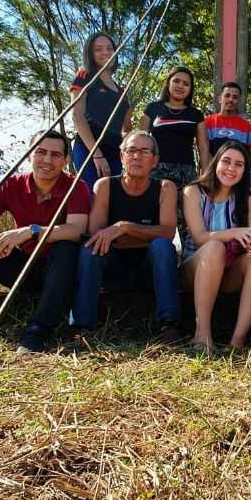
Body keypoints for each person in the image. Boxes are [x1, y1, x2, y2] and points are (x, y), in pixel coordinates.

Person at [0, 130, 90, 352]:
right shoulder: (11, 184)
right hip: (21, 265)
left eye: (55, 155)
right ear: (29, 154)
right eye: (40, 152)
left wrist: (30, 231)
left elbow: (76, 230)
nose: (47, 160)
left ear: (65, 160)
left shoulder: (76, 186)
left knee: (66, 247)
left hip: (58, 272)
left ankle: (38, 329)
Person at [69, 130, 180, 341]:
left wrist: (124, 227)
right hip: (112, 269)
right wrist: (143, 235)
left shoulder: (165, 188)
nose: (137, 156)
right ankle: (81, 328)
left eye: (144, 151)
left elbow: (167, 232)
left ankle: (169, 325)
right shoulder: (104, 186)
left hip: (149, 270)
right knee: (90, 249)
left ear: (155, 160)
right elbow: (96, 234)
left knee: (162, 247)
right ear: (121, 157)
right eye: (131, 150)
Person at [182, 141, 251, 355]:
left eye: (238, 164)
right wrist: (234, 233)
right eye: (226, 161)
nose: (231, 168)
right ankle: (202, 336)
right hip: (194, 269)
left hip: (229, 273)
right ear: (215, 162)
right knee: (213, 248)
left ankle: (237, 342)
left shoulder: (246, 197)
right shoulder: (193, 191)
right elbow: (200, 237)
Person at [140, 65, 209, 249]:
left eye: (186, 83)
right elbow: (140, 141)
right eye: (176, 81)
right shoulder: (153, 108)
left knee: (188, 219)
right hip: (156, 172)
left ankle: (190, 264)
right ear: (168, 83)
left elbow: (203, 148)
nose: (180, 86)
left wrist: (206, 177)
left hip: (186, 173)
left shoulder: (196, 114)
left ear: (190, 89)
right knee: (154, 218)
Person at [70, 32, 132, 189]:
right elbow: (77, 116)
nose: (105, 52)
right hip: (88, 149)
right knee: (93, 197)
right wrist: (97, 154)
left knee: (112, 202)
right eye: (98, 49)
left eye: (109, 48)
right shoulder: (84, 76)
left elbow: (126, 129)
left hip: (114, 153)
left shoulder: (121, 90)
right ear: (90, 53)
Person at [203, 82, 251, 186]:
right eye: (227, 96)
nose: (231, 100)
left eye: (235, 97)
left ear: (239, 101)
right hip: (212, 178)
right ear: (220, 98)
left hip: (237, 179)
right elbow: (204, 151)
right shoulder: (207, 123)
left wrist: (236, 168)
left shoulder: (247, 127)